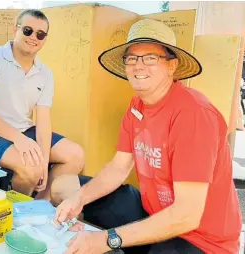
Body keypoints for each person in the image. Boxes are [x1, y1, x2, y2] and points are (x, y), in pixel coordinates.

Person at [53, 19, 242, 254]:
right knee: (64, 187)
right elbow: (119, 167)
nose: (138, 66)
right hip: (153, 211)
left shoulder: (193, 114)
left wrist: (105, 240)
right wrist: (79, 199)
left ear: (171, 66)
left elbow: (187, 216)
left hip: (200, 239)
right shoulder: (137, 106)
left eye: (150, 58)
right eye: (132, 58)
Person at [0, 9, 84, 200]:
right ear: (15, 30)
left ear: (45, 38)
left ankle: (38, 207)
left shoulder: (45, 74)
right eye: (27, 30)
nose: (33, 37)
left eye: (40, 34)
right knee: (31, 166)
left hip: (24, 130)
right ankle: (15, 212)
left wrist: (44, 162)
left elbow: (43, 121)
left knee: (75, 155)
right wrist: (20, 140)